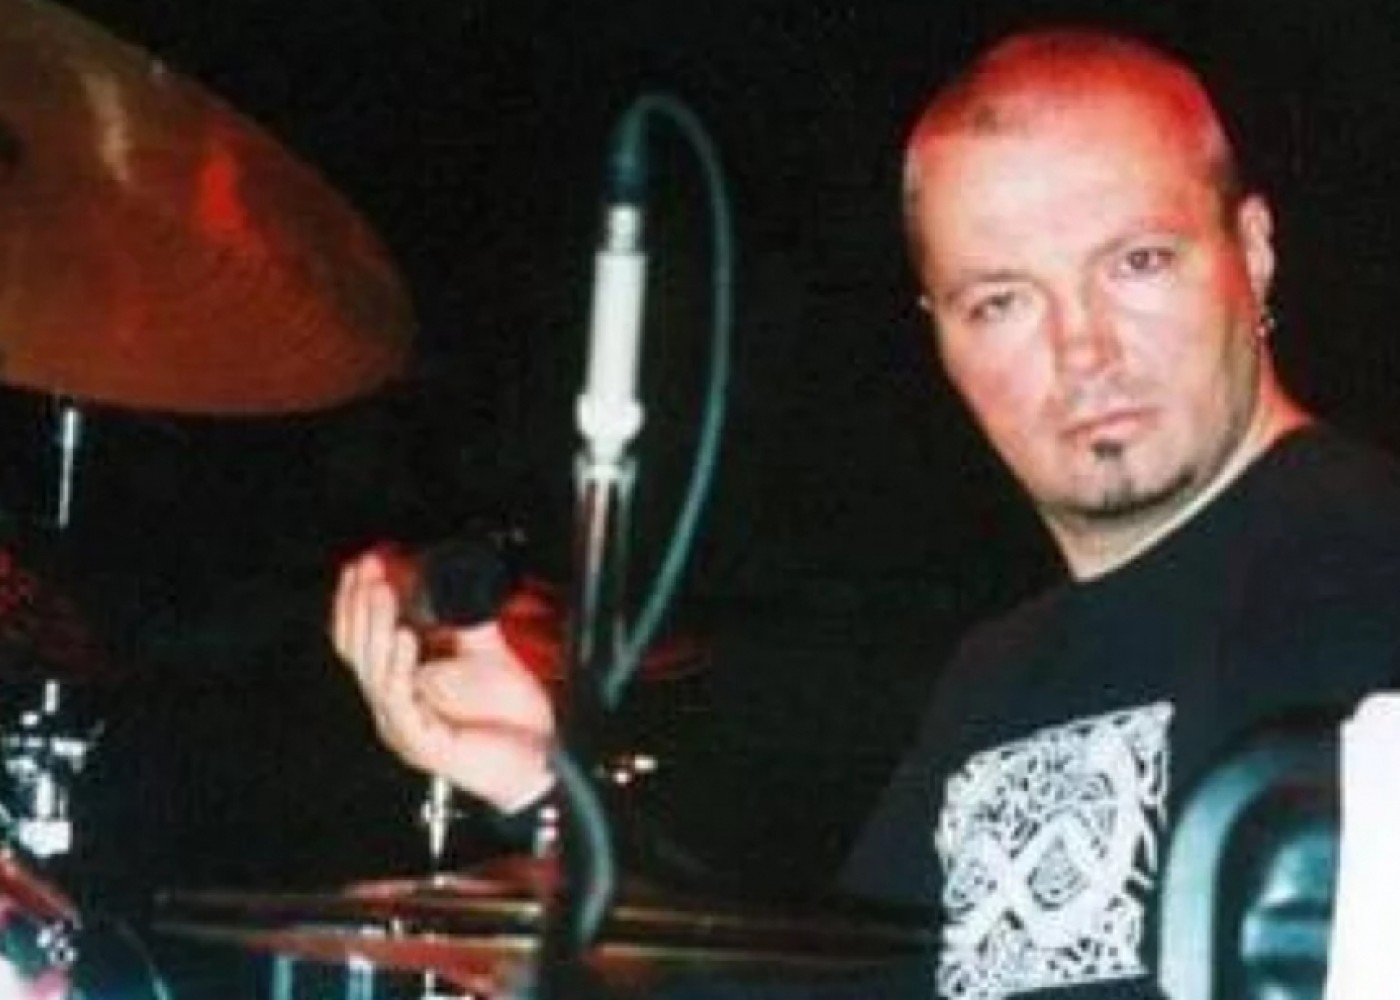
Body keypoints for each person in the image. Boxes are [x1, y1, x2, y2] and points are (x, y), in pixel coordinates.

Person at [331, 25, 1400, 998]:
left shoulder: (1370, 574)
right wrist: (536, 779)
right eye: (1001, 300)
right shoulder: (998, 672)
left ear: (1253, 250)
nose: (1083, 348)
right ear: (940, 333)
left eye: (1137, 262)